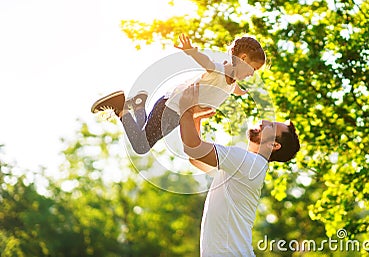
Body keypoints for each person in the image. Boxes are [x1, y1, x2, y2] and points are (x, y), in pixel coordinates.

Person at [91, 33, 267, 154]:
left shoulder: (232, 82)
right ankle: (119, 106)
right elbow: (207, 62)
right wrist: (191, 51)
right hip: (172, 108)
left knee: (145, 135)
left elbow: (229, 88)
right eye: (253, 68)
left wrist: (240, 91)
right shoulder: (220, 71)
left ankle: (138, 106)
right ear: (243, 59)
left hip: (176, 112)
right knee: (141, 146)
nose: (252, 74)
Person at [178, 83, 300, 257]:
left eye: (271, 126)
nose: (264, 121)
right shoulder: (249, 166)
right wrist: (195, 119)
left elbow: (193, 149)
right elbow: (196, 157)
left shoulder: (247, 163)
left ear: (274, 145)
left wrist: (186, 111)